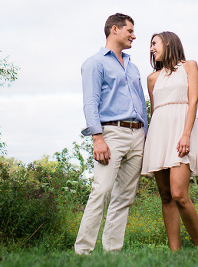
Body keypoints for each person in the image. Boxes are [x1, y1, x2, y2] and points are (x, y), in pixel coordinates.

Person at [74, 13, 148, 254]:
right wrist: (97, 138)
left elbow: (141, 103)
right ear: (114, 29)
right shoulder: (95, 63)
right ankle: (83, 252)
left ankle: (112, 253)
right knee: (102, 191)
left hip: (137, 135)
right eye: (130, 31)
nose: (134, 36)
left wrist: (145, 136)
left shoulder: (133, 66)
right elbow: (90, 102)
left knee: (124, 196)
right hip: (111, 134)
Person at [141, 31, 198, 250]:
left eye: (154, 43)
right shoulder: (152, 78)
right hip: (159, 134)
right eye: (150, 45)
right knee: (166, 196)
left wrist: (186, 134)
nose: (151, 48)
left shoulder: (189, 66)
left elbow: (193, 101)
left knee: (179, 194)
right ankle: (174, 252)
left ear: (168, 43)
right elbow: (153, 110)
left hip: (181, 132)